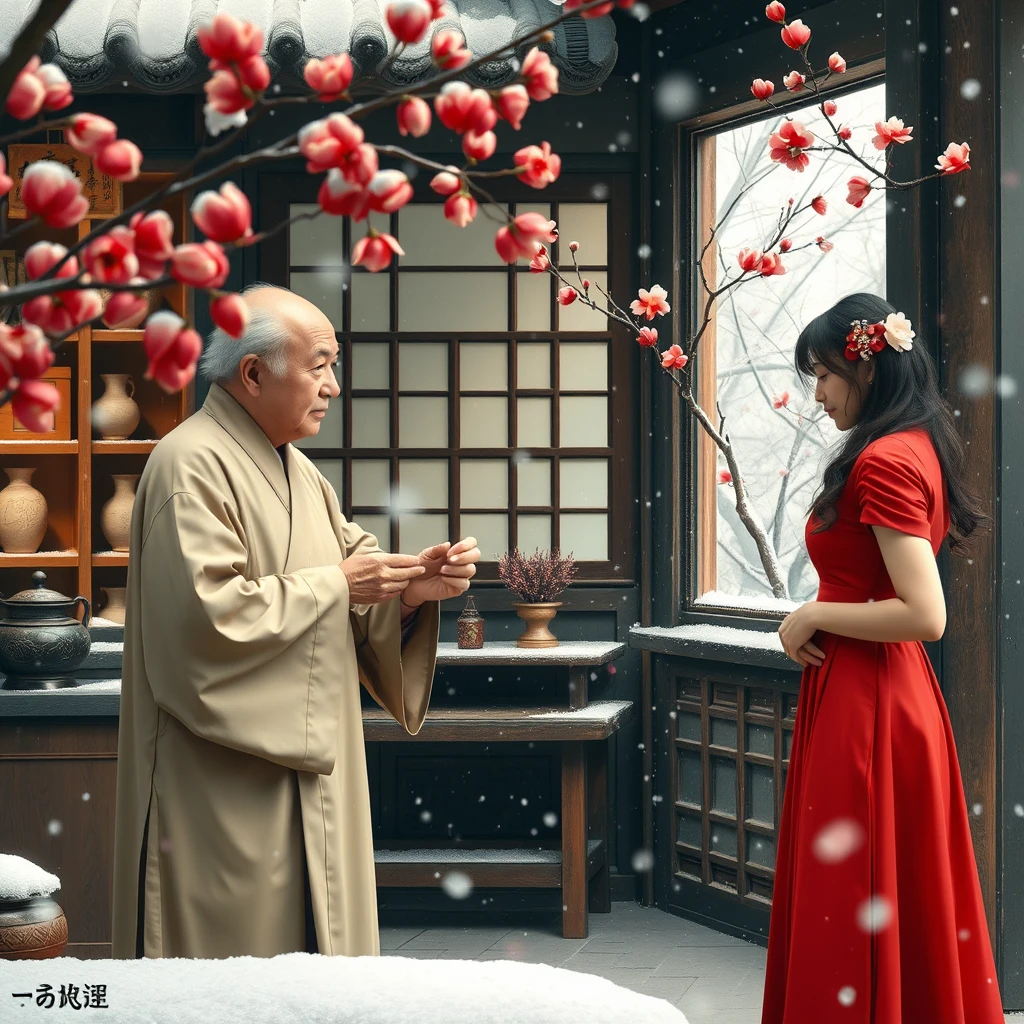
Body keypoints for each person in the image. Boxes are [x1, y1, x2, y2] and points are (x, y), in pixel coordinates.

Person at [111, 284, 480, 959]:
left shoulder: (302, 473)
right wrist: (336, 585)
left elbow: (353, 575)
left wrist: (409, 594)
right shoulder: (187, 466)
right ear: (253, 374)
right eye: (318, 365)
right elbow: (207, 622)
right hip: (221, 786)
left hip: (312, 782)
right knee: (228, 979)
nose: (333, 386)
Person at [761, 293, 1003, 1022]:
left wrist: (810, 613)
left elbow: (926, 615)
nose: (817, 393)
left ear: (864, 368)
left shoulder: (888, 459)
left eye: (825, 375)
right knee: (876, 891)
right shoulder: (908, 444)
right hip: (871, 693)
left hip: (870, 704)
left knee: (852, 891)